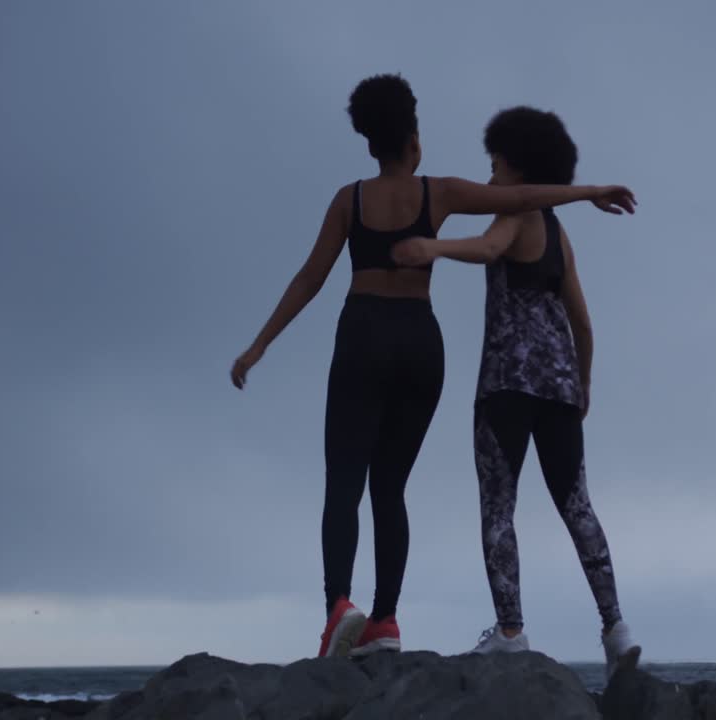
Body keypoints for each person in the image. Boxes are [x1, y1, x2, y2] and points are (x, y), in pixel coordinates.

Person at [229, 75, 636, 660]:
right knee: (391, 487)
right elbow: (522, 199)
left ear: (372, 142)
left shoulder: (349, 200)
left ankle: (340, 610)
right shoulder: (438, 192)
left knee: (345, 482)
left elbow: (310, 277)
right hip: (423, 345)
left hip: (365, 334)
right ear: (414, 140)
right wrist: (589, 189)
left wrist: (259, 344)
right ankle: (386, 624)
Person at [391, 106, 641, 678]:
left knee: (498, 510)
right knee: (578, 507)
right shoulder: (559, 234)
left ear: (516, 166)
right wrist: (584, 382)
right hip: (558, 389)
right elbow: (583, 323)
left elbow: (486, 247)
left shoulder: (519, 213)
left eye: (496, 165)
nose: (490, 178)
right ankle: (616, 629)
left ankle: (510, 632)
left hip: (504, 386)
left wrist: (431, 248)